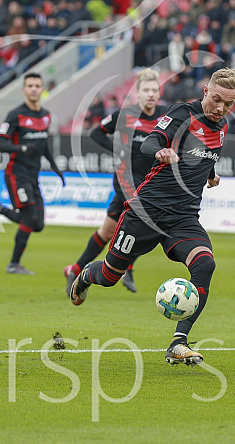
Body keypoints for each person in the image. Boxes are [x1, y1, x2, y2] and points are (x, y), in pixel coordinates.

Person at [69, 68, 235, 366]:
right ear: (205, 91)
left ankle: (179, 342)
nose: (220, 108)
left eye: (229, 103)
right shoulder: (181, 114)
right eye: (216, 99)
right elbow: (150, 142)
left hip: (183, 218)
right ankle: (85, 275)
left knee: (205, 264)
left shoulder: (222, 127)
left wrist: (211, 174)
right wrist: (161, 152)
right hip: (146, 212)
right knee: (110, 276)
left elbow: (203, 157)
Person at [63, 69, 168, 294]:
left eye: (154, 90)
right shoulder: (125, 114)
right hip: (126, 181)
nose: (150, 94)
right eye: (146, 90)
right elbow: (96, 133)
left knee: (107, 232)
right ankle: (125, 267)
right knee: (144, 223)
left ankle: (75, 269)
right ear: (137, 93)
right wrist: (118, 148)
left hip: (149, 182)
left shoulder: (166, 117)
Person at [0, 72, 65, 274]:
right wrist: (21, 149)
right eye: (30, 86)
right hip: (16, 173)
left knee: (39, 224)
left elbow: (43, 145)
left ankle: (0, 209)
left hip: (33, 175)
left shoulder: (45, 116)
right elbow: (0, 143)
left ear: (42, 89)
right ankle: (13, 264)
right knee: (29, 216)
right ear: (24, 90)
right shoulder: (15, 115)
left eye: (37, 85)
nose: (34, 89)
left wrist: (54, 166)